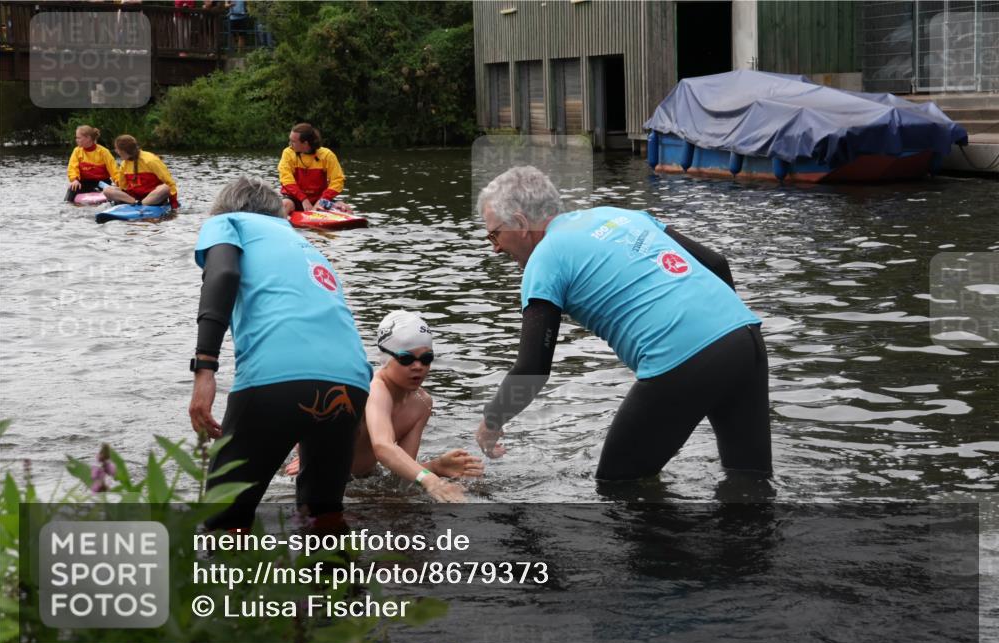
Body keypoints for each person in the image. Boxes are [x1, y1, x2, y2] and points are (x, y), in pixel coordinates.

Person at [474, 166, 772, 481]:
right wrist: (721, 331)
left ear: (520, 223)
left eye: (494, 234)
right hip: (744, 338)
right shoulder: (619, 215)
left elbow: (532, 369)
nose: (495, 247)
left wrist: (492, 422)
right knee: (749, 482)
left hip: (680, 358)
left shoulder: (545, 257)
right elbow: (716, 263)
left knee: (618, 488)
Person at [188, 176, 372, 530]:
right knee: (323, 518)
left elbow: (222, 273)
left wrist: (205, 368)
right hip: (352, 381)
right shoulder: (303, 243)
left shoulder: (228, 222)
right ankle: (336, 584)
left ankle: (227, 583)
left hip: (275, 377)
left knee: (224, 516)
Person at [286, 310, 483, 502]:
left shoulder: (422, 404)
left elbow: (401, 477)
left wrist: (436, 467)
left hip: (361, 478)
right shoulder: (374, 389)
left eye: (426, 358)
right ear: (386, 358)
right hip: (318, 475)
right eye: (406, 358)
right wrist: (432, 481)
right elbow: (383, 446)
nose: (418, 366)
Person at [278, 123, 346, 218]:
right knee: (284, 205)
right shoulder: (288, 153)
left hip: (320, 200)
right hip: (295, 200)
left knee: (345, 208)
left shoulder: (327, 155)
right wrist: (304, 200)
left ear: (305, 143)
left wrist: (322, 200)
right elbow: (286, 180)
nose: (290, 144)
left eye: (293, 141)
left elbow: (338, 180)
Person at [103, 135, 180, 209]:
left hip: (152, 198)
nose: (116, 151)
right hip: (134, 199)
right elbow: (123, 187)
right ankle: (136, 203)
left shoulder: (151, 160)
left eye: (117, 149)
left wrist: (174, 203)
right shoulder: (124, 164)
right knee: (107, 190)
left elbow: (170, 183)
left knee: (165, 188)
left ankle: (142, 204)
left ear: (124, 151)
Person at [65, 125, 117, 202]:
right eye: (76, 138)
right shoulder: (77, 151)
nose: (76, 140)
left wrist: (121, 184)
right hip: (84, 182)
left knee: (111, 194)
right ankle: (67, 206)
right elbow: (72, 167)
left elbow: (114, 170)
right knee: (72, 188)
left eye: (79, 138)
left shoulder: (104, 152)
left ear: (88, 138)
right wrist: (75, 180)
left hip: (101, 182)